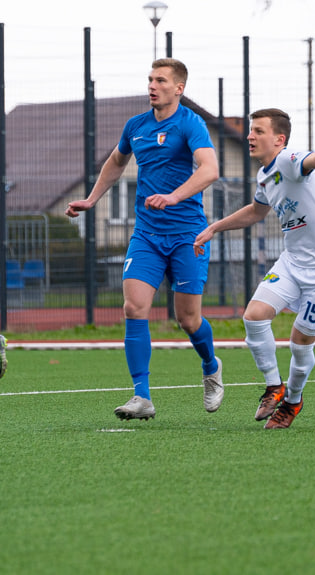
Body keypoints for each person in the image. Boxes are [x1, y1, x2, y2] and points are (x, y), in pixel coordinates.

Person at [65, 58, 222, 420]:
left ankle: (211, 367)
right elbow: (117, 162)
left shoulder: (190, 124)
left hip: (187, 235)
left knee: (188, 320)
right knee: (134, 307)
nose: (152, 85)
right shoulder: (136, 126)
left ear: (178, 88)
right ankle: (142, 396)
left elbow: (211, 169)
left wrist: (174, 196)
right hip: (147, 235)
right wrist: (91, 199)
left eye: (161, 80)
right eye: (150, 79)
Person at [193, 108, 315, 430]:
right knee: (253, 316)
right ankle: (274, 386)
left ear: (279, 139)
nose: (250, 136)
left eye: (258, 131)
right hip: (293, 262)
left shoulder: (287, 159)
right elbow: (255, 211)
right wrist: (214, 228)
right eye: (251, 130)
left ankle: (293, 400)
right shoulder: (264, 175)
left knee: (299, 343)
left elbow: (308, 160)